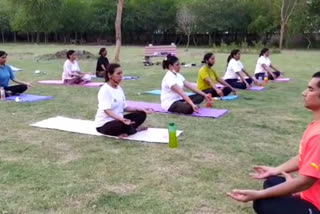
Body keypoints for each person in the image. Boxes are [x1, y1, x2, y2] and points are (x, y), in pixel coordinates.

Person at [228, 72, 320, 214]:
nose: (304, 93)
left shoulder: (318, 135)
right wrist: (275, 170)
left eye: (311, 89)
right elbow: (304, 157)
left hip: (316, 204)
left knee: (263, 201)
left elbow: (305, 182)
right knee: (272, 181)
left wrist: (258, 194)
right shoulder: (316, 126)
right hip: (309, 192)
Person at [95, 63, 151, 137]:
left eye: (121, 73)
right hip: (105, 124)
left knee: (141, 114)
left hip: (120, 120)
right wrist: (121, 119)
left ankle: (129, 129)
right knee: (122, 124)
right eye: (118, 73)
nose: (121, 76)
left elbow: (125, 107)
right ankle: (133, 129)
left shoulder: (119, 88)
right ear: (109, 75)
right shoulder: (105, 90)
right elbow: (107, 111)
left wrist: (140, 109)